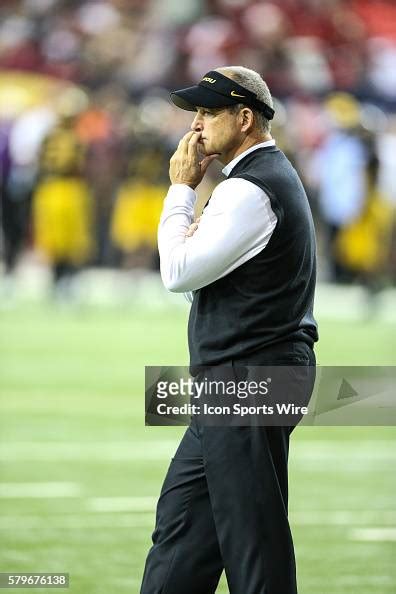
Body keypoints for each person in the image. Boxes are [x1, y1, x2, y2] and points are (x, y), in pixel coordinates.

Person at [140, 66, 318, 594]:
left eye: (208, 113)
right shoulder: (254, 180)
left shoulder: (249, 189)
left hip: (250, 378)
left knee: (251, 541)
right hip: (235, 380)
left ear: (245, 118)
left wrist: (180, 192)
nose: (195, 126)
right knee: (183, 530)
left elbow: (177, 272)